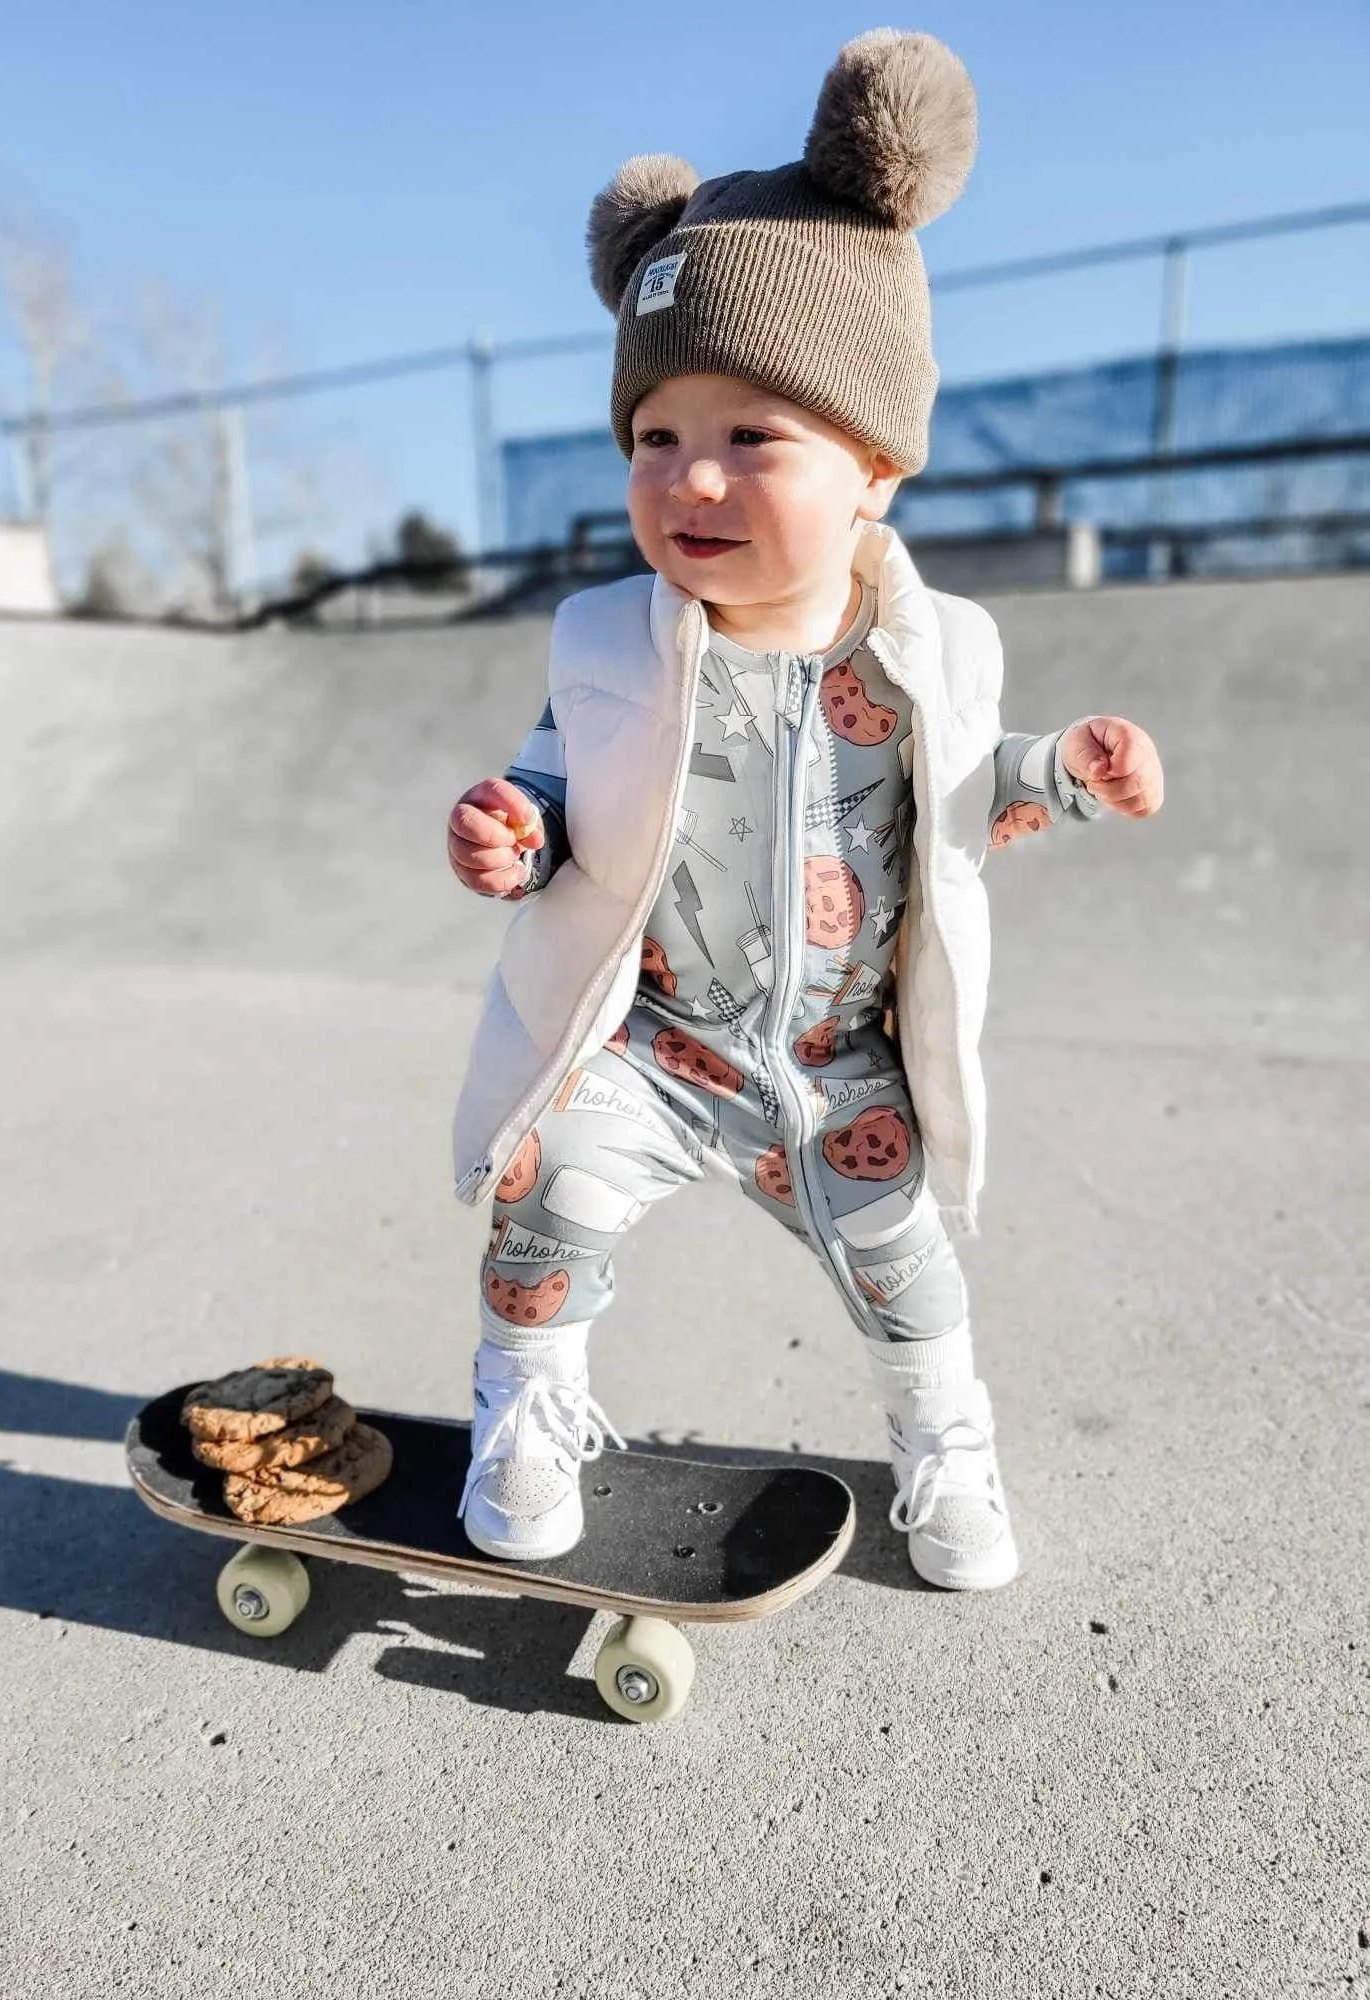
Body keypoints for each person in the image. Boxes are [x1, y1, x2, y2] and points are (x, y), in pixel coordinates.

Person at [444, 28, 1164, 1589]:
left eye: (749, 437)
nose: (689, 481)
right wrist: (514, 822)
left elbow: (978, 774)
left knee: (908, 1271)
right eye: (656, 439)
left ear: (877, 469)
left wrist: (1071, 772)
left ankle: (946, 1440)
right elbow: (562, 779)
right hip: (651, 1043)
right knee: (542, 1199)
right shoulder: (606, 638)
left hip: (836, 1065)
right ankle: (529, 1408)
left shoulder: (934, 650)